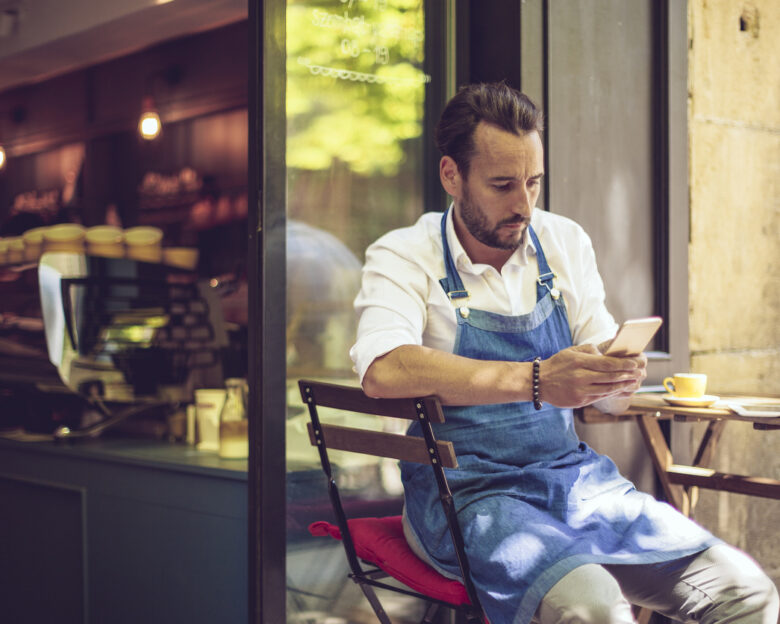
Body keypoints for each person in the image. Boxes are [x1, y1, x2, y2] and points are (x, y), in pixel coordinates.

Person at [349, 83, 778, 624]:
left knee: (749, 592)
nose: (524, 204)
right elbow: (384, 369)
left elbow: (610, 401)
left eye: (533, 182)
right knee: (594, 606)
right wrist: (535, 380)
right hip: (466, 497)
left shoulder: (565, 241)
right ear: (451, 176)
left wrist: (616, 378)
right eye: (503, 185)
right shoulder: (403, 254)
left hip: (576, 483)